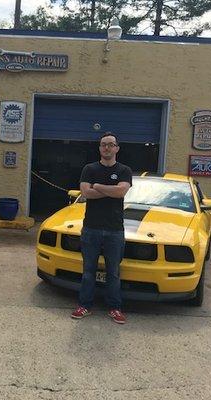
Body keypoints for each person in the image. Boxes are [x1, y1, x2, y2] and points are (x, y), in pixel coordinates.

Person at [71, 132, 132, 324]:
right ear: (99, 148)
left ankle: (114, 308)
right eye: (104, 144)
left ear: (117, 148)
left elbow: (121, 191)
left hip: (115, 230)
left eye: (111, 144)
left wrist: (97, 186)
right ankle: (84, 305)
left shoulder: (124, 170)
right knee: (88, 270)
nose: (107, 148)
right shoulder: (89, 168)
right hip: (91, 228)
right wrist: (110, 190)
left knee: (113, 272)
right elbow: (86, 194)